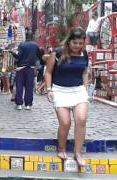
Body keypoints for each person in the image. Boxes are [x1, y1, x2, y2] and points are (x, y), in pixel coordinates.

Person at [44, 27, 89, 167]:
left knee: (81, 119)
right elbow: (48, 72)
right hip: (60, 91)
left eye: (81, 43)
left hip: (79, 91)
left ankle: (78, 153)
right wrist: (49, 89)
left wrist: (86, 88)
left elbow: (85, 72)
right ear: (69, 42)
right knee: (65, 123)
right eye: (75, 43)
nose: (78, 46)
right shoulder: (57, 53)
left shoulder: (84, 54)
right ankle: (62, 149)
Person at [10, 31, 41, 110]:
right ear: (32, 36)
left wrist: (12, 53)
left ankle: (19, 104)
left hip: (21, 68)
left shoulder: (22, 45)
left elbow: (18, 56)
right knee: (29, 87)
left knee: (19, 86)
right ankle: (28, 105)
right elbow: (39, 56)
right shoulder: (36, 45)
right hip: (31, 68)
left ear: (25, 36)